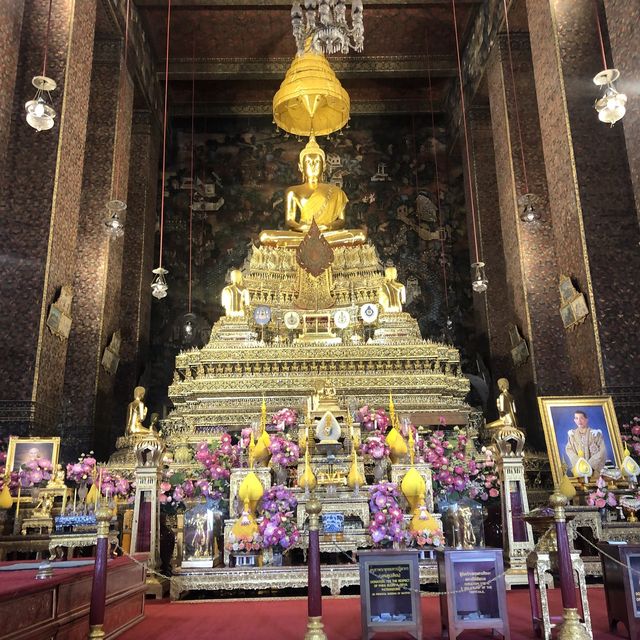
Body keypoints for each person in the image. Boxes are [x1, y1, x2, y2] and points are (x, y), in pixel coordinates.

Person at [259, 136, 366, 248]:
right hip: (303, 234)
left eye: (316, 162)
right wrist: (303, 228)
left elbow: (341, 220)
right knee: (265, 236)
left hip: (327, 234)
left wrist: (326, 227)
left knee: (360, 235)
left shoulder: (336, 191)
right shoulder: (293, 191)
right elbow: (290, 221)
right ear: (301, 167)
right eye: (309, 162)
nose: (313, 166)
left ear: (324, 166)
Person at [565, 410, 607, 478]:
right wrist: (579, 463)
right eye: (576, 418)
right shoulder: (572, 435)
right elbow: (569, 449)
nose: (579, 421)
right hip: (579, 469)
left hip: (594, 470)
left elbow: (602, 451)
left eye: (581, 418)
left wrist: (589, 464)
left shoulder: (595, 434)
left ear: (586, 419)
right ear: (574, 420)